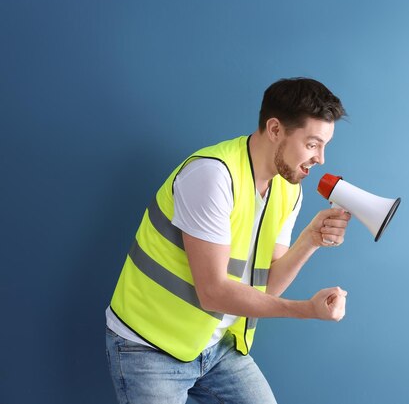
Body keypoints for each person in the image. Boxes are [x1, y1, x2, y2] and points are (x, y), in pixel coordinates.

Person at [105, 77, 351, 404]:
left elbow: (266, 287)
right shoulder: (212, 176)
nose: (320, 158)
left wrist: (310, 238)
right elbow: (214, 291)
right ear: (275, 129)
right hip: (150, 346)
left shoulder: (289, 188)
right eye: (312, 144)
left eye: (324, 145)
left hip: (215, 346)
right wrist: (306, 310)